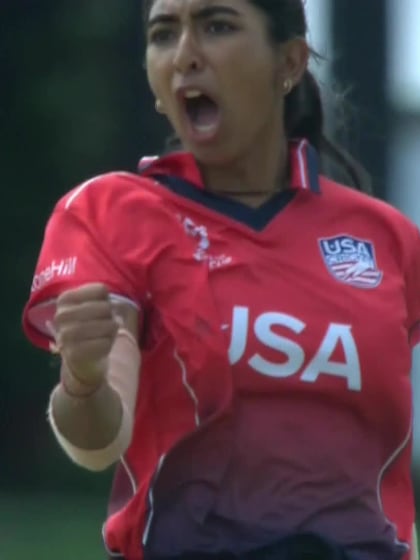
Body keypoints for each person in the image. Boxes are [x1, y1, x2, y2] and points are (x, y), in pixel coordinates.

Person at [22, 0, 420, 559]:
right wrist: (82, 383)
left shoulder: (388, 238)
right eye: (164, 34)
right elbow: (98, 442)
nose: (185, 55)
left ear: (289, 62)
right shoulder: (111, 213)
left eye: (217, 26)